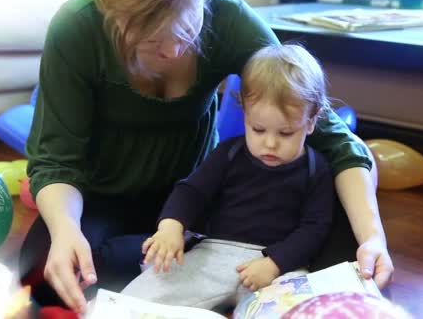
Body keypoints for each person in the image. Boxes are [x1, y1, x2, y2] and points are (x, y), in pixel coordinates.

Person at [19, 0, 394, 315]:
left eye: (186, 31)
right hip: (104, 198)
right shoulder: (77, 27)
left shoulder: (228, 18)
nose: (171, 52)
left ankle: (207, 268)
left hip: (204, 202)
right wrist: (67, 230)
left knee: (347, 241)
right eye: (150, 39)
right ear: (114, 15)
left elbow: (331, 135)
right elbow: (54, 160)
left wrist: (372, 238)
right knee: (45, 269)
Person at [119, 44, 344, 308]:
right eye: (258, 129)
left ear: (311, 121)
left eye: (285, 134)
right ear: (245, 114)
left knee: (301, 308)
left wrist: (275, 263)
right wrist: (171, 226)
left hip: (279, 265)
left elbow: (314, 229)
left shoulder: (317, 169)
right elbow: (192, 191)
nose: (270, 144)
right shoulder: (228, 153)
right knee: (141, 299)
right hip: (214, 252)